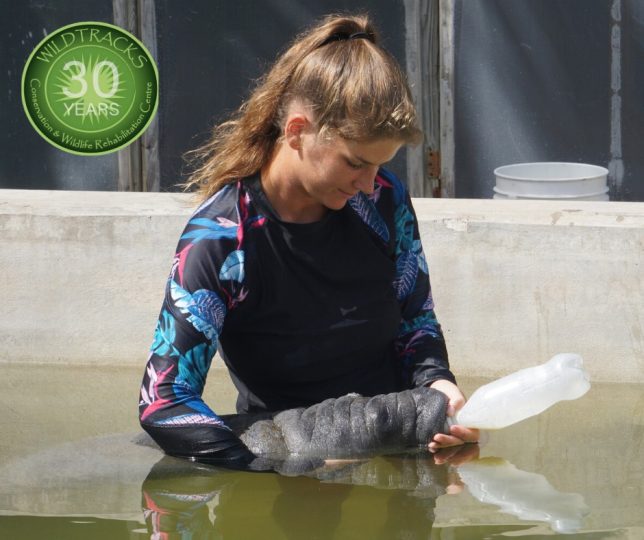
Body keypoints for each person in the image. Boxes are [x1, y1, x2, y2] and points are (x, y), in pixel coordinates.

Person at [138, 13, 478, 466]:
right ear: (297, 131)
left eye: (380, 165)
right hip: (291, 472)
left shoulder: (383, 199)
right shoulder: (222, 240)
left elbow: (415, 317)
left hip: (395, 451)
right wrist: (280, 467)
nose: (368, 183)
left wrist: (438, 385)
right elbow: (165, 404)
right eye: (355, 162)